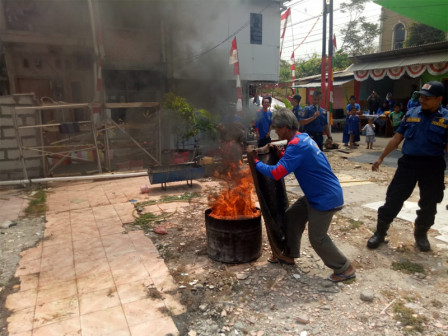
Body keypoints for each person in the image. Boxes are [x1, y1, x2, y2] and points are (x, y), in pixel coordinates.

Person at [254, 108, 356, 282]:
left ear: (285, 127)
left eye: (277, 128)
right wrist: (280, 153)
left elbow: (278, 172)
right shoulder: (303, 138)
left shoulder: (297, 145)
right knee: (292, 216)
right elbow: (292, 158)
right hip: (316, 194)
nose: (275, 132)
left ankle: (344, 268)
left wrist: (256, 163)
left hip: (325, 198)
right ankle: (290, 255)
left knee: (317, 237)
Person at [367, 81, 448, 252]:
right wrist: (381, 158)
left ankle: (421, 234)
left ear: (439, 99)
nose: (422, 100)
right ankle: (380, 233)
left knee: (429, 204)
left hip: (433, 166)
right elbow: (397, 139)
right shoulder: (411, 113)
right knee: (394, 198)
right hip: (408, 164)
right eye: (421, 96)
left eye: (427, 97)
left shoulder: (446, 119)